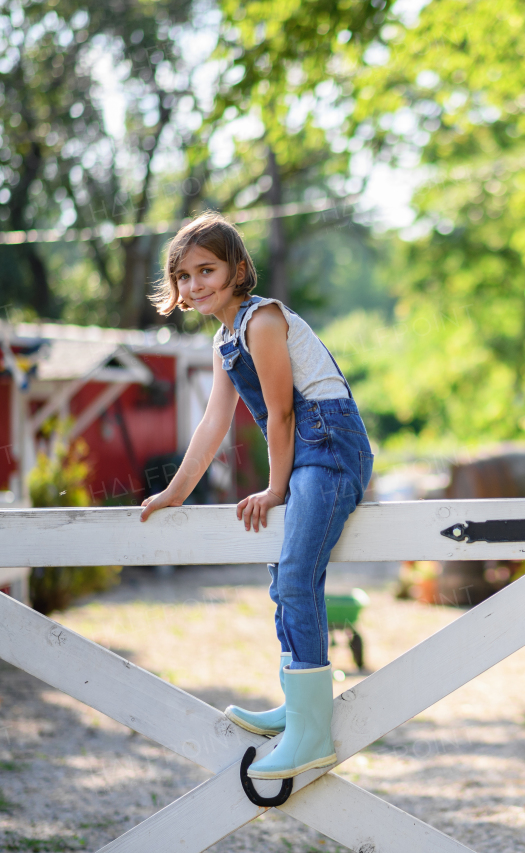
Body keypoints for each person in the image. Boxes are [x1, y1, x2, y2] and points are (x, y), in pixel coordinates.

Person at [139, 212, 373, 780]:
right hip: (307, 453)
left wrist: (273, 487)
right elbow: (213, 424)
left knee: (296, 573)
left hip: (331, 447)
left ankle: (313, 734)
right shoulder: (226, 339)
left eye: (206, 270)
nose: (194, 285)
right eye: (184, 275)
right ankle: (299, 706)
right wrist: (174, 491)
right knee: (284, 572)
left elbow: (286, 411)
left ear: (238, 270)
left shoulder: (262, 320)